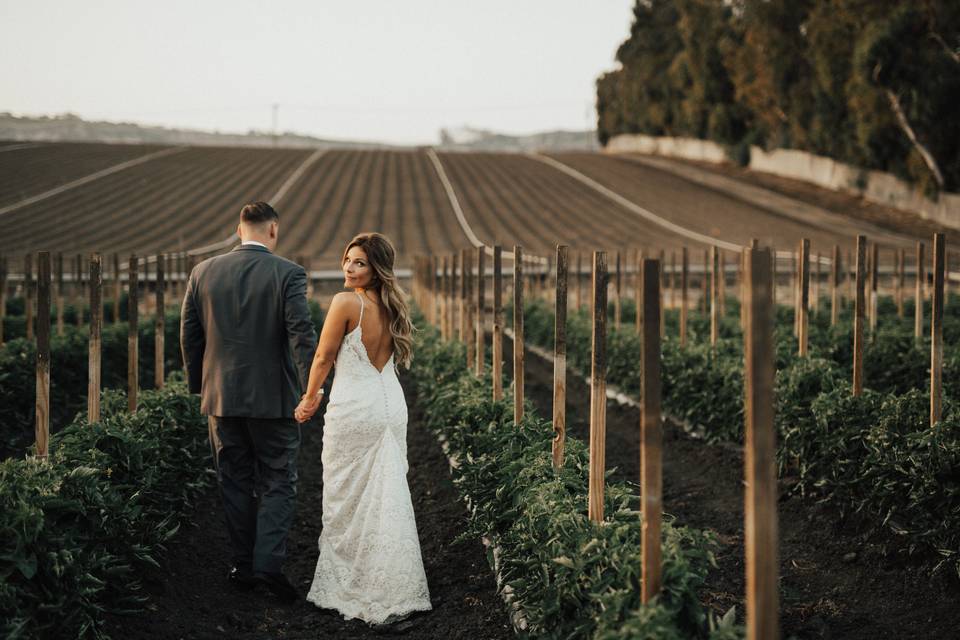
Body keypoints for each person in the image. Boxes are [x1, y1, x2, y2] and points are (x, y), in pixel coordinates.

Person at [180, 201, 316, 602]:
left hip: (220, 397)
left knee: (233, 479)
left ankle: (242, 565)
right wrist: (313, 389)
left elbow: (190, 335)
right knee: (277, 479)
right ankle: (268, 566)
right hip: (274, 399)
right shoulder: (288, 273)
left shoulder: (202, 272)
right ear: (273, 230)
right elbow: (301, 334)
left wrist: (199, 386)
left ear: (239, 229)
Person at [295, 232, 432, 625]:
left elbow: (323, 356)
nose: (349, 268)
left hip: (355, 407)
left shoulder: (344, 302)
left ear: (376, 269)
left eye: (359, 263)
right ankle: (393, 581)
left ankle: (360, 583)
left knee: (348, 497)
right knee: (387, 493)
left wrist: (309, 397)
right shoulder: (392, 304)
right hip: (389, 402)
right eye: (348, 260)